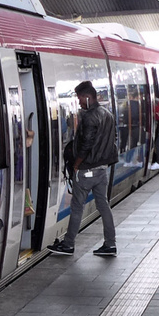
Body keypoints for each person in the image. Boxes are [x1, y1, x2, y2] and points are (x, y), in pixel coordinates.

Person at [48, 80, 117, 257]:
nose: (78, 102)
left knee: (77, 207)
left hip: (86, 170)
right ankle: (110, 244)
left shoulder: (89, 117)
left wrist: (77, 164)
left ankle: (68, 244)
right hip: (102, 169)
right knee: (104, 206)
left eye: (79, 98)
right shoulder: (107, 114)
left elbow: (86, 144)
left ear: (87, 97)